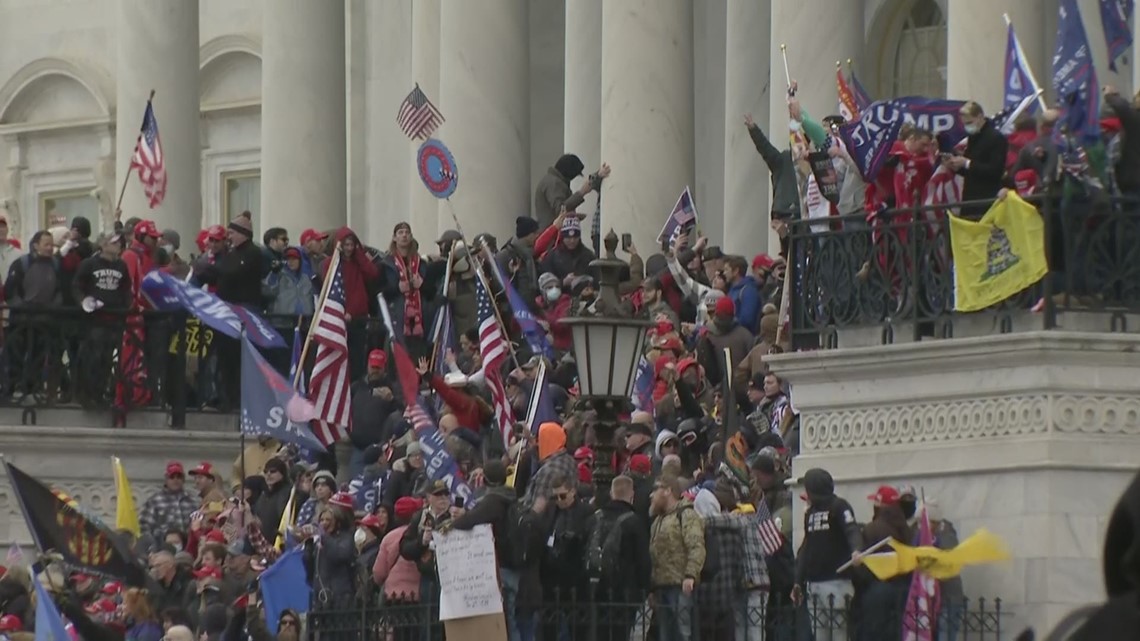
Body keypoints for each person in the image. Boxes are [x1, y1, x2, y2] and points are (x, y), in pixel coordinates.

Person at [792, 468, 862, 641]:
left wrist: (856, 550)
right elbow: (806, 547)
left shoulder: (839, 506)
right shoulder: (810, 513)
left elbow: (851, 529)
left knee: (840, 635)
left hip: (837, 583)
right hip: (814, 585)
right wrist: (798, 582)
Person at [649, 475, 706, 641]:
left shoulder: (686, 514)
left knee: (683, 633)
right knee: (666, 634)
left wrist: (690, 575)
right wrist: (652, 587)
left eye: (656, 490)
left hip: (680, 586)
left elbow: (696, 546)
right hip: (662, 585)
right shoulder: (657, 521)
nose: (651, 495)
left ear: (668, 491)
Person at [946, 101, 1009, 219]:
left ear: (980, 117)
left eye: (970, 122)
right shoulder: (973, 138)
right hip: (970, 199)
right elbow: (972, 171)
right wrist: (956, 167)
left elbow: (995, 170)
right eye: (965, 124)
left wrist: (967, 163)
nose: (967, 126)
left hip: (987, 200)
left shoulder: (996, 138)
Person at [533, 154, 610, 228]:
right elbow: (560, 209)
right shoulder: (554, 183)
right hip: (553, 236)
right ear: (569, 172)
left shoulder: (551, 180)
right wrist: (581, 192)